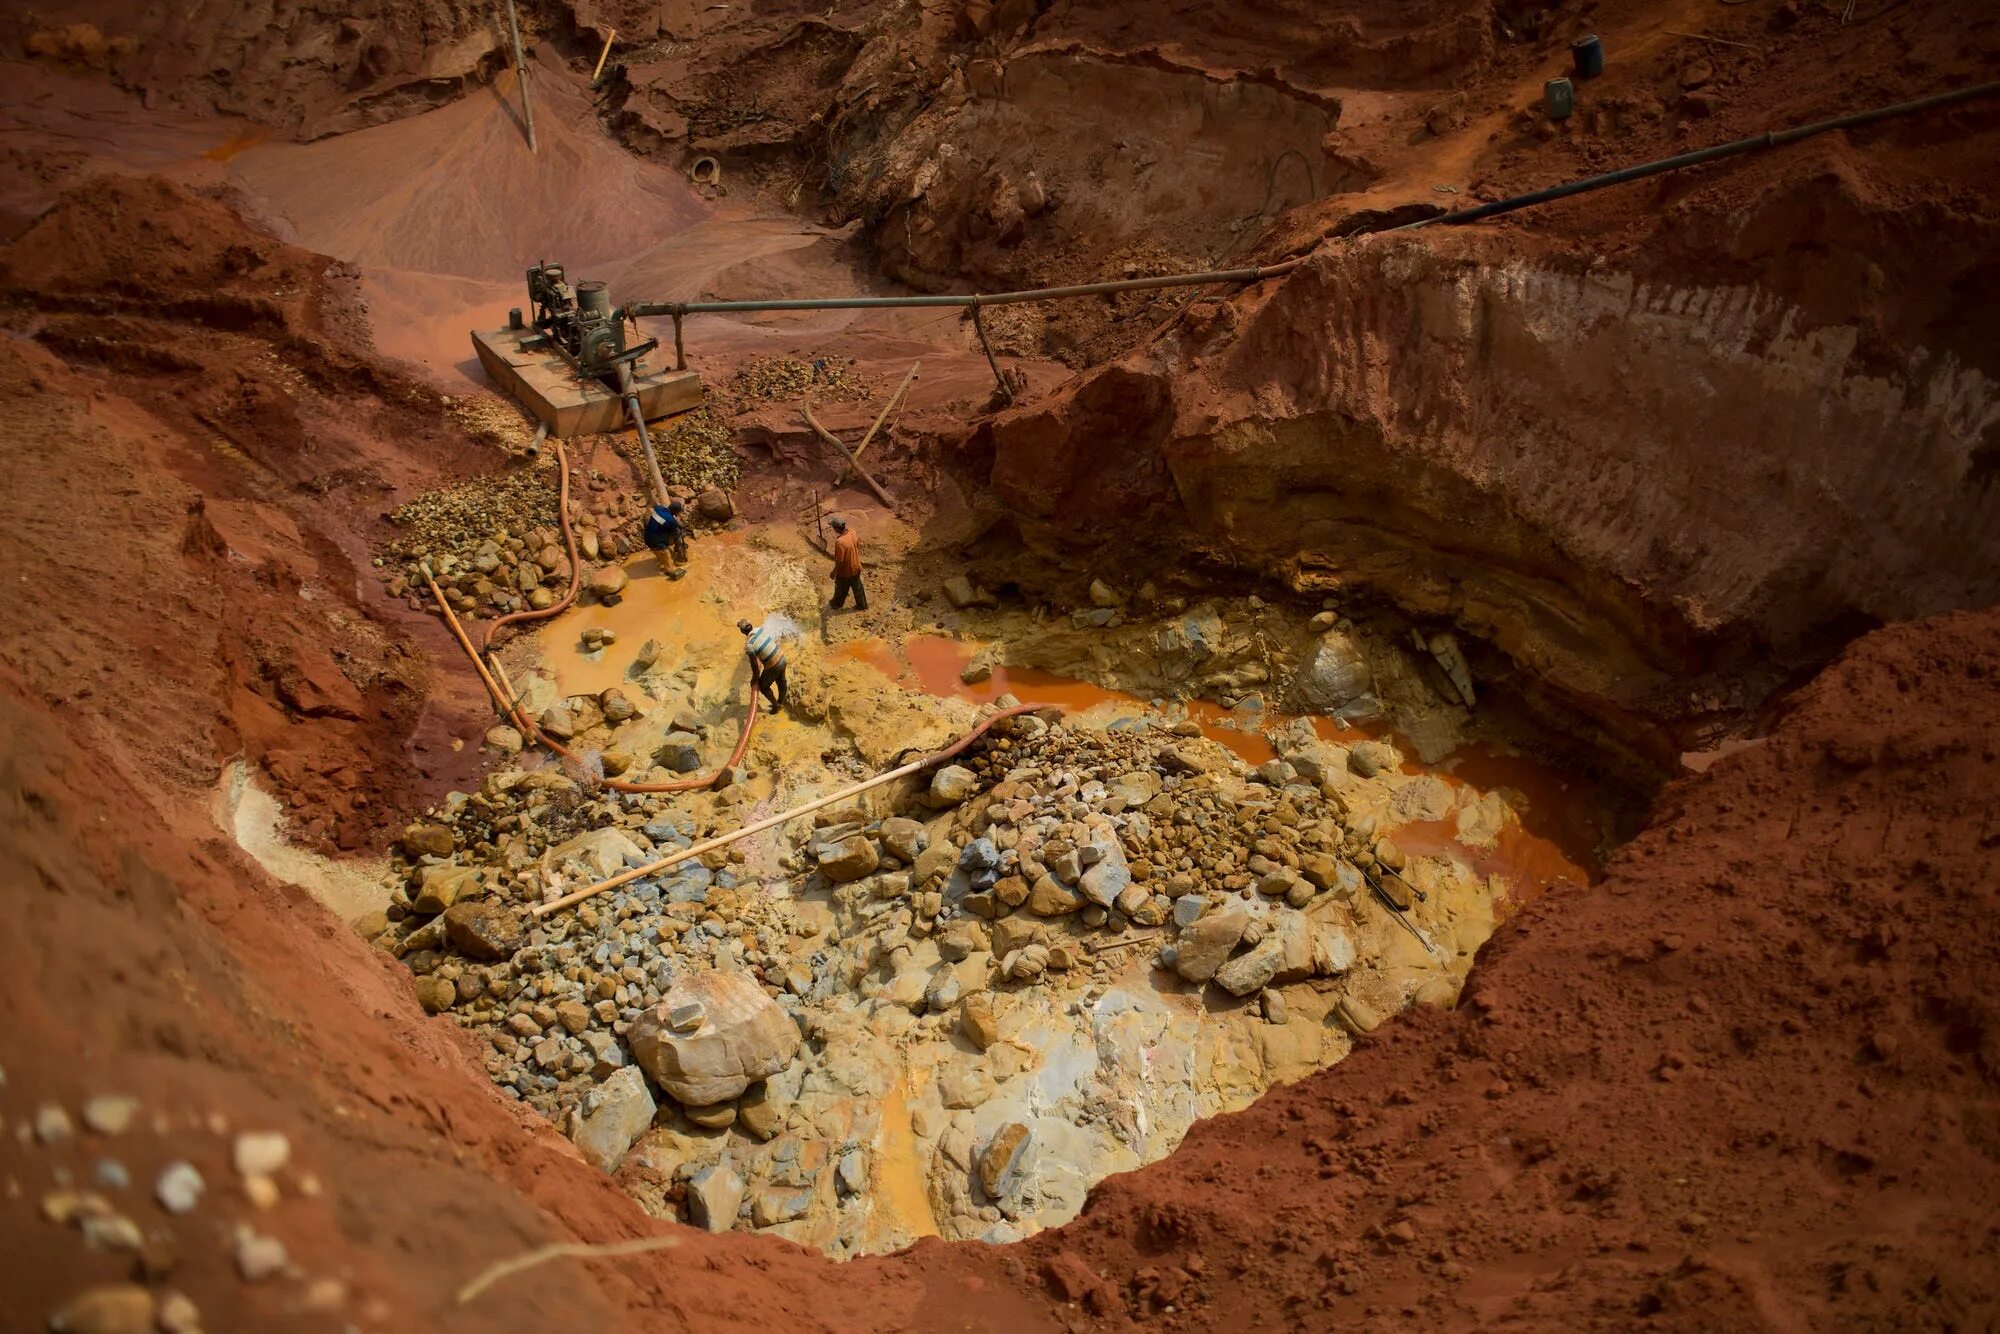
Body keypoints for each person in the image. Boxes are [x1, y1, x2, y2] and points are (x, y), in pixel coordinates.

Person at [739, 618, 787, 713]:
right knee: (781, 680)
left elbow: (754, 664)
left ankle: (776, 706)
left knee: (763, 686)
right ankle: (781, 701)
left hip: (774, 665)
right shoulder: (759, 630)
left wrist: (755, 679)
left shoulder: (749, 645)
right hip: (782, 657)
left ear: (742, 632)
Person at [827, 516, 867, 611]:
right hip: (856, 567)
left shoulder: (840, 542)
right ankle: (862, 605)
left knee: (840, 589)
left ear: (836, 528)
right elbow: (857, 544)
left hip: (845, 572)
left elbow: (840, 561)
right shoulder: (852, 532)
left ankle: (836, 604)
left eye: (833, 527)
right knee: (858, 588)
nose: (833, 529)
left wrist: (834, 572)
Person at [643, 500, 689, 579]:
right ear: (675, 512)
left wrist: (676, 523)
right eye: (678, 512)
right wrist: (682, 533)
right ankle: (670, 574)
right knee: (668, 563)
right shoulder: (671, 521)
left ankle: (661, 560)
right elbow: (675, 534)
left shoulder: (658, 509)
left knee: (661, 557)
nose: (679, 514)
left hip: (647, 538)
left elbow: (663, 520)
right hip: (657, 543)